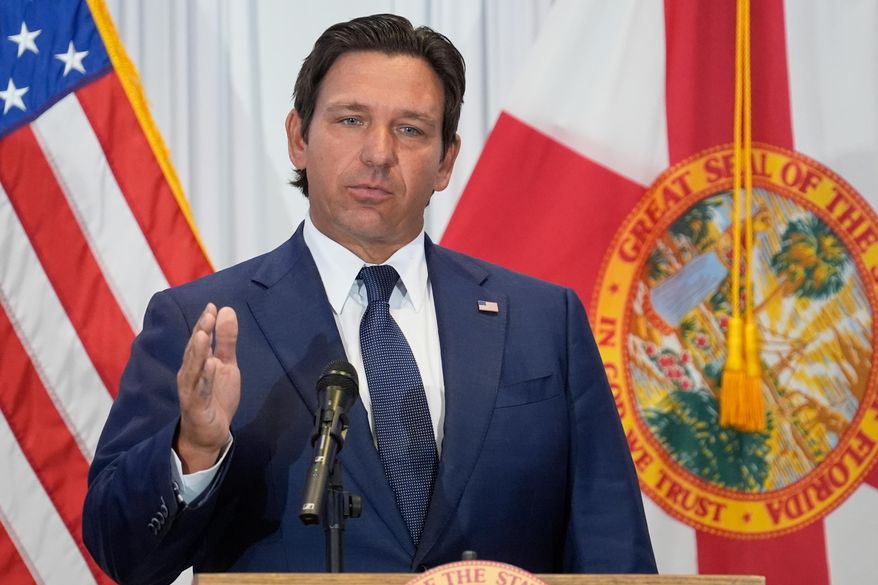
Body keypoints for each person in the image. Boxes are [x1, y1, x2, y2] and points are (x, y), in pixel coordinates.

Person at [83, 13, 656, 584]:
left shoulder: (543, 320)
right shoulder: (200, 322)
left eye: (410, 129)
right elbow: (121, 551)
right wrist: (195, 448)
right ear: (298, 138)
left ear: (446, 161)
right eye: (351, 120)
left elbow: (613, 548)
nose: (379, 153)